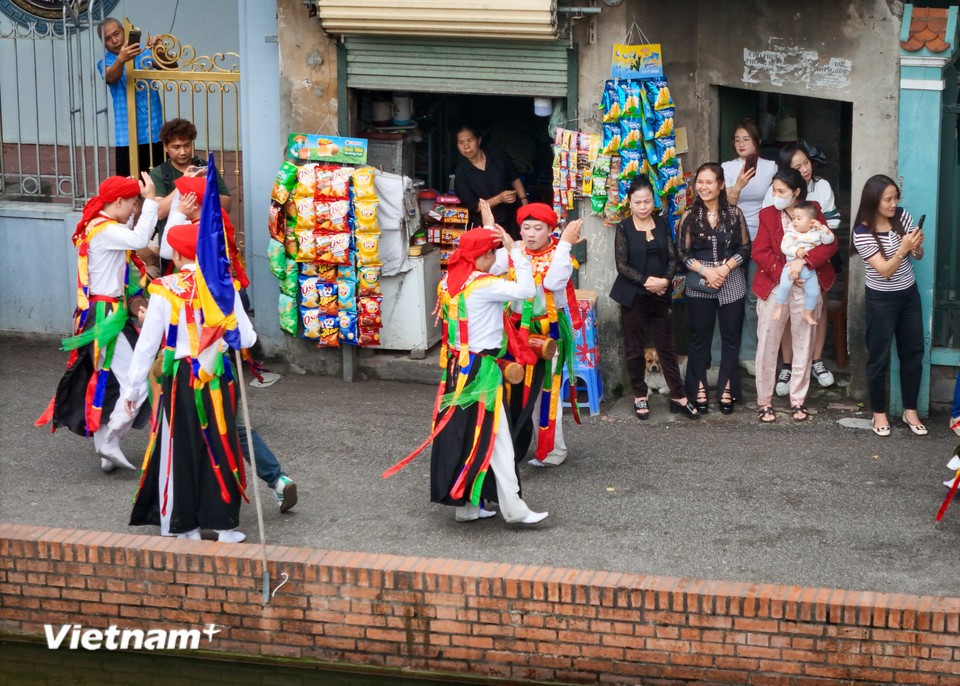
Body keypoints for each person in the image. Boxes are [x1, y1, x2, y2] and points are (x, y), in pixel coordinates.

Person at [383, 227, 548, 525]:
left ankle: (468, 506)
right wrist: (515, 250)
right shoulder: (484, 285)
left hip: (458, 366)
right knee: (496, 438)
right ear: (485, 255)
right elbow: (525, 290)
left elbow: (492, 272)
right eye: (492, 253)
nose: (496, 258)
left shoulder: (450, 282)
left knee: (465, 434)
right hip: (481, 369)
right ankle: (513, 508)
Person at [163, 175, 294, 511]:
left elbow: (168, 248)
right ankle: (277, 478)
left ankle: (195, 505)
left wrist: (176, 214)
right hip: (223, 366)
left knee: (189, 434)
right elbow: (247, 336)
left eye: (182, 193)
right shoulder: (209, 230)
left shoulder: (196, 242)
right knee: (235, 429)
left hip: (187, 371)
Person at [124, 223, 256, 541]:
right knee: (221, 443)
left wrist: (133, 388)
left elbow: (147, 345)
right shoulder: (224, 285)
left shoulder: (164, 288)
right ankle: (225, 525)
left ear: (180, 255)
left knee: (180, 446)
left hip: (182, 375)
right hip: (219, 375)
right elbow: (247, 338)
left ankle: (186, 525)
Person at [35, 174, 158, 473]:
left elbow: (130, 237)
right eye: (131, 202)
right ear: (117, 202)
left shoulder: (103, 225)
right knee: (138, 380)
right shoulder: (104, 229)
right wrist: (152, 199)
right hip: (105, 315)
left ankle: (106, 449)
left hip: (107, 312)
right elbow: (140, 240)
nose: (134, 208)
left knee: (111, 380)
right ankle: (111, 437)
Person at [484, 200, 585, 466]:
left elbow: (552, 283)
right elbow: (490, 268)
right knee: (514, 387)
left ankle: (553, 450)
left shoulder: (560, 254)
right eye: (525, 227)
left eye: (537, 228)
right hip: (516, 329)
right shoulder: (514, 249)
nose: (530, 234)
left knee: (546, 391)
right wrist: (487, 230)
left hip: (547, 331)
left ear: (550, 229)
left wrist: (564, 244)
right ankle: (517, 445)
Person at [610, 177, 698, 420]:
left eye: (647, 201)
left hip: (660, 294)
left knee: (667, 347)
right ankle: (640, 395)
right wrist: (648, 281)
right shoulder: (624, 227)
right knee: (634, 348)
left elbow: (672, 257)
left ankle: (679, 395)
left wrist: (665, 281)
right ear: (630, 203)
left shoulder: (660, 224)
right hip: (634, 295)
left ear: (653, 201)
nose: (643, 206)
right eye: (637, 202)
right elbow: (622, 265)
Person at [752, 172, 837, 423]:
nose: (775, 196)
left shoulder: (813, 210)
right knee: (768, 343)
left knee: (804, 343)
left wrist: (804, 262)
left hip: (807, 284)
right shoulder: (767, 214)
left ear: (796, 192)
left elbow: (829, 245)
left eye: (781, 191)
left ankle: (798, 400)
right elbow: (760, 251)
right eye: (774, 190)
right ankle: (764, 401)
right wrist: (786, 272)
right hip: (775, 286)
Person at [763, 143, 842, 394]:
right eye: (797, 166)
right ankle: (788, 364)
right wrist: (785, 269)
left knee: (815, 307)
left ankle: (815, 360)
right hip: (785, 266)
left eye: (805, 162)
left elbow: (831, 233)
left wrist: (805, 258)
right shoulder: (773, 198)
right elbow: (765, 242)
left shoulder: (821, 191)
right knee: (785, 313)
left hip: (815, 260)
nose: (804, 168)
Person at [852, 174, 926, 437]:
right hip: (881, 300)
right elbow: (885, 270)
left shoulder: (902, 217)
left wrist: (917, 246)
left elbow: (918, 255)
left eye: (896, 198)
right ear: (874, 201)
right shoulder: (862, 232)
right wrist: (904, 249)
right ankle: (879, 413)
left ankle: (910, 410)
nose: (894, 204)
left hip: (909, 295)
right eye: (888, 199)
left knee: (914, 352)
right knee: (879, 357)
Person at [677, 162, 751, 415]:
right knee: (699, 338)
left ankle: (727, 388)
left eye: (710, 182)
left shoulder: (734, 213)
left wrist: (725, 269)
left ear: (721, 185)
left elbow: (744, 248)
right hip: (700, 279)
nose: (704, 187)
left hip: (730, 277)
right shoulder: (689, 215)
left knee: (731, 337)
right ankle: (698, 388)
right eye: (700, 182)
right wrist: (706, 271)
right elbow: (682, 253)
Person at [721, 118, 777, 375]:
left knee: (754, 298)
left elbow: (777, 201)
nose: (741, 144)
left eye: (747, 139)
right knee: (728, 295)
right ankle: (723, 354)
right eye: (737, 139)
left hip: (761, 239)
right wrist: (740, 185)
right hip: (733, 239)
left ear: (757, 142)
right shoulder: (727, 168)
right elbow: (727, 204)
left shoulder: (770, 168)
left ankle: (749, 353)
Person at [97, 18, 164, 178]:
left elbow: (170, 68)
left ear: (124, 32)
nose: (114, 40)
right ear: (104, 44)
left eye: (116, 34)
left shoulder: (144, 52)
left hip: (155, 132)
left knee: (159, 186)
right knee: (129, 188)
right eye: (108, 38)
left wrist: (160, 51)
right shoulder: (105, 62)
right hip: (127, 137)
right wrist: (121, 59)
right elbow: (110, 77)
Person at [150, 118, 232, 236]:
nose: (183, 152)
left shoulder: (206, 167)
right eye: (176, 147)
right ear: (165, 147)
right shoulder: (159, 173)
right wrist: (184, 183)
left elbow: (227, 206)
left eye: (187, 145)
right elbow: (159, 212)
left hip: (206, 233)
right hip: (173, 235)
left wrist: (205, 188)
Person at [453, 125, 529, 237]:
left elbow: (514, 177)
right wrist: (499, 198)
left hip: (511, 218)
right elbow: (475, 206)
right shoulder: (461, 174)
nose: (466, 147)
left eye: (470, 140)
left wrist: (525, 205)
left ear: (478, 140)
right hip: (485, 226)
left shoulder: (497, 155)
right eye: (461, 142)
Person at [772, 202, 835, 326]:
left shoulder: (817, 232)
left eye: (799, 219)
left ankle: (807, 313)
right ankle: (779, 307)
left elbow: (830, 241)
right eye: (794, 218)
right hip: (790, 266)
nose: (795, 221)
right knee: (784, 286)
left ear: (811, 221)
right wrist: (796, 251)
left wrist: (822, 228)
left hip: (809, 269)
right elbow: (784, 247)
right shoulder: (791, 232)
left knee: (813, 292)